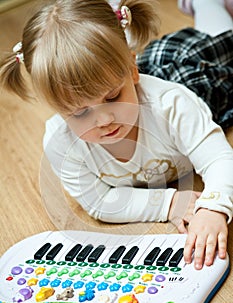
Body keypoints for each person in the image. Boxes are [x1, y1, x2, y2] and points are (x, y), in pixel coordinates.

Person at [0, 0, 233, 271]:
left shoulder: (173, 105)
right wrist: (168, 203)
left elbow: (219, 158)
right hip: (131, 78)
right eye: (79, 113)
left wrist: (214, 207)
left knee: (223, 44)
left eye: (112, 97)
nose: (104, 120)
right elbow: (98, 201)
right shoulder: (62, 142)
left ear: (133, 71)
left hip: (189, 74)